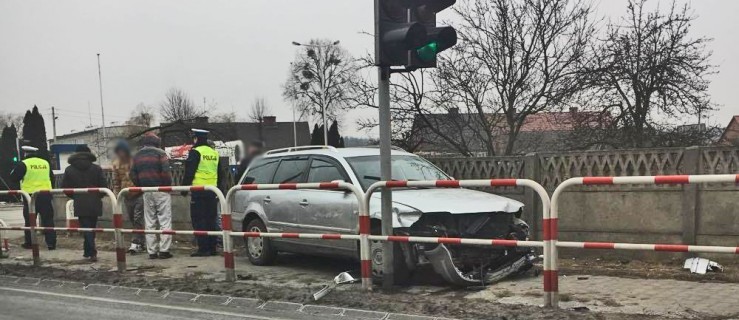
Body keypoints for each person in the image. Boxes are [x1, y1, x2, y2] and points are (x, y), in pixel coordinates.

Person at [130, 133, 174, 259]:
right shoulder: (160, 153)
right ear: (156, 142)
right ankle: (164, 250)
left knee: (149, 221)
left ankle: (152, 251)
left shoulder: (137, 155)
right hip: (161, 190)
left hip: (146, 191)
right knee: (164, 220)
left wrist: (140, 185)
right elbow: (166, 173)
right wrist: (166, 186)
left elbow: (132, 174)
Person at [61, 145, 107, 262]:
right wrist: (97, 196)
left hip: (80, 201)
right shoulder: (96, 168)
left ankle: (89, 251)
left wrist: (76, 196)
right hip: (95, 201)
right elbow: (104, 186)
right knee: (91, 227)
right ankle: (90, 252)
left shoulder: (69, 169)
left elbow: (65, 188)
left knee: (86, 227)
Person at [183, 128, 223, 257]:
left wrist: (184, 189)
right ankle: (212, 248)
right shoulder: (214, 153)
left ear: (196, 138)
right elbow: (220, 173)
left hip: (198, 191)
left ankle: (203, 249)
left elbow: (189, 172)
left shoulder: (195, 152)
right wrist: (219, 190)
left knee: (199, 220)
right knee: (211, 219)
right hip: (212, 191)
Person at [10, 146, 56, 250]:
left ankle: (30, 242)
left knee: (30, 220)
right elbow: (52, 178)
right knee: (48, 219)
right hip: (45, 194)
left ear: (25, 153)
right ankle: (51, 243)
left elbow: (13, 178)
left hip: (30, 196)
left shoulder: (24, 164)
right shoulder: (45, 163)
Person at [112, 140, 145, 254]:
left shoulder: (135, 161)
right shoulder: (116, 164)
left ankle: (135, 243)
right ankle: (141, 242)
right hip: (126, 195)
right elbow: (116, 180)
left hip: (139, 193)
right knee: (133, 219)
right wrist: (116, 194)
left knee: (137, 218)